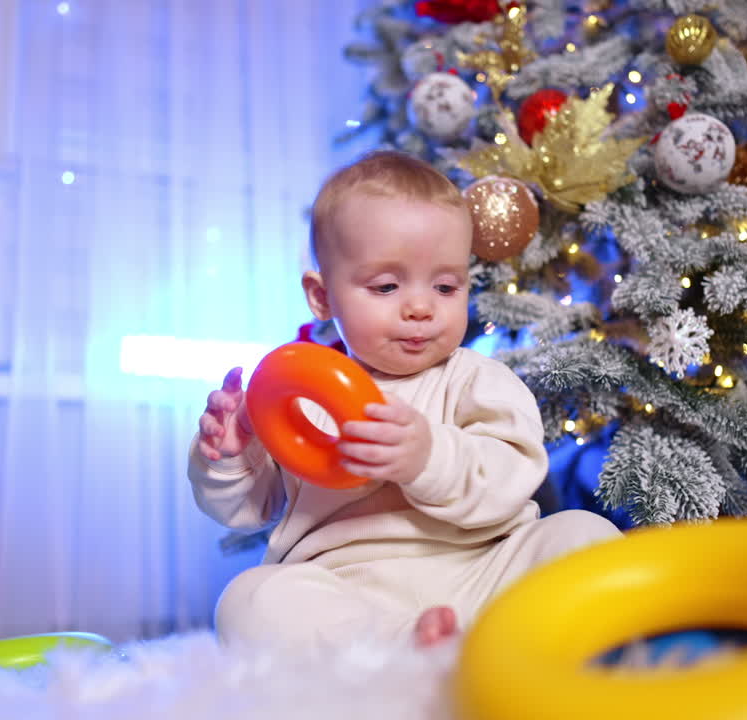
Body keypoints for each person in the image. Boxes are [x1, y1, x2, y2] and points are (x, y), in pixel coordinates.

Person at [189, 150, 620, 651]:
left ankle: (518, 643)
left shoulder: (480, 381)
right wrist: (230, 456)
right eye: (387, 285)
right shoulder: (303, 398)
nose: (420, 307)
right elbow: (248, 509)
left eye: (445, 285)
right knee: (248, 599)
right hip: (348, 588)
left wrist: (427, 457)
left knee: (581, 532)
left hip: (482, 572)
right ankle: (401, 649)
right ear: (322, 297)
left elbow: (512, 477)